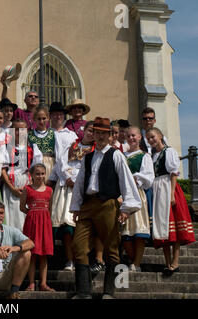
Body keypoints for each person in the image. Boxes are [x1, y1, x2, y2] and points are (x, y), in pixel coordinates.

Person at [70, 117, 141, 299]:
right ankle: (84, 292)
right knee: (79, 246)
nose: (100, 136)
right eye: (97, 132)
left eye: (104, 133)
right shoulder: (87, 157)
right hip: (87, 205)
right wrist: (76, 206)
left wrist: (126, 208)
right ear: (93, 134)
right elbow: (79, 183)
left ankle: (110, 292)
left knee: (112, 248)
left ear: (110, 136)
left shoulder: (116, 155)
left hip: (108, 204)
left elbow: (126, 181)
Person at [147, 127, 195, 275]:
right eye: (149, 138)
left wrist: (172, 194)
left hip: (168, 187)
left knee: (173, 224)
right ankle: (167, 263)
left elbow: (173, 173)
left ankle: (175, 262)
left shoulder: (169, 152)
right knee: (163, 227)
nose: (151, 140)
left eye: (153, 137)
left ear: (160, 136)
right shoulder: (153, 156)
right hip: (158, 188)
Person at [50, 121, 95, 271]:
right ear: (84, 131)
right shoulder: (71, 146)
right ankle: (69, 260)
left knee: (81, 227)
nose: (91, 134)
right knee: (67, 226)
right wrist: (67, 178)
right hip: (67, 189)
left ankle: (81, 259)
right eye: (89, 130)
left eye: (94, 131)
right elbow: (61, 163)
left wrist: (79, 182)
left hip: (84, 191)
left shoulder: (95, 151)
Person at [122, 126, 154, 272]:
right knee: (125, 232)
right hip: (122, 195)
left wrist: (137, 178)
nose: (131, 138)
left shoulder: (144, 156)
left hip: (137, 194)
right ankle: (133, 260)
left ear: (140, 137)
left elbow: (149, 178)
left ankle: (136, 263)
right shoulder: (121, 155)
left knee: (138, 231)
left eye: (134, 135)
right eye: (128, 136)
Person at [1, 119, 42, 230]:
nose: (19, 133)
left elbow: (37, 170)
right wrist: (12, 188)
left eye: (22, 130)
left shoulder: (32, 148)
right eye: (16, 130)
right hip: (11, 184)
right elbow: (3, 170)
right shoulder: (5, 147)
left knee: (26, 214)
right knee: (12, 214)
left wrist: (31, 187)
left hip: (27, 184)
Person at [20, 164, 55, 292]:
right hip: (32, 223)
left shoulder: (49, 190)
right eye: (37, 174)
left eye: (42, 173)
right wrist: (33, 213)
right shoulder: (27, 189)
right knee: (32, 254)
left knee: (44, 254)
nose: (40, 176)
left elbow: (50, 209)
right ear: (32, 175)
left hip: (45, 223)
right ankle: (31, 283)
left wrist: (44, 217)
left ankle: (43, 283)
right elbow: (22, 207)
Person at [28, 106, 56, 182]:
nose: (41, 121)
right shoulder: (29, 134)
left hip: (50, 164)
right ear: (34, 119)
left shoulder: (53, 133)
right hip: (35, 164)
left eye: (44, 118)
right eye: (39, 119)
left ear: (48, 118)